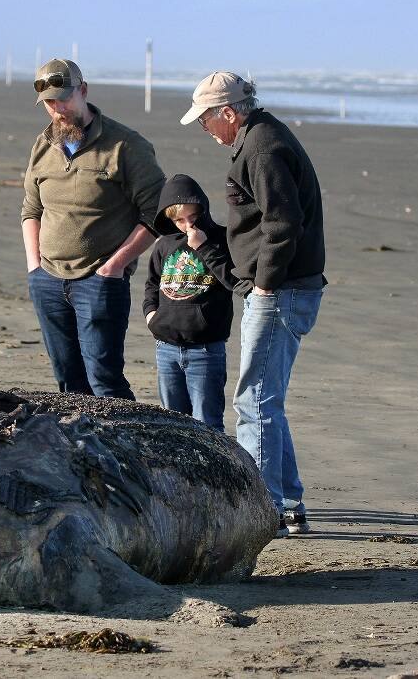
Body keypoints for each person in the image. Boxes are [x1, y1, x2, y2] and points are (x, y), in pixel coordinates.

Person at [181, 71, 326, 537]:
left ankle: (263, 511)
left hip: (281, 291)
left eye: (205, 119)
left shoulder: (261, 147)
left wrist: (264, 284)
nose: (205, 129)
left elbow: (284, 221)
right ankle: (288, 503)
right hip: (284, 287)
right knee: (267, 399)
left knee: (255, 400)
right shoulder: (259, 138)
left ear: (228, 112)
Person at [21, 58, 165, 399]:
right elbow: (31, 208)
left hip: (99, 283)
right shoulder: (43, 145)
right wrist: (34, 267)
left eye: (64, 99)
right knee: (68, 382)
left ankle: (127, 450)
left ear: (83, 91)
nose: (58, 109)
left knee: (105, 381)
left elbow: (158, 213)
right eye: (50, 103)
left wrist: (113, 267)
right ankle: (82, 451)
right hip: (48, 281)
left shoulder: (126, 146)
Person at [143, 174, 235, 433]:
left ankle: (216, 473)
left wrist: (204, 248)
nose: (187, 225)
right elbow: (152, 284)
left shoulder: (221, 239)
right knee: (172, 424)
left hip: (205, 350)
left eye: (192, 218)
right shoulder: (164, 245)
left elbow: (233, 281)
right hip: (166, 347)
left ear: (202, 210)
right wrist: (151, 315)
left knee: (208, 424)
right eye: (179, 220)